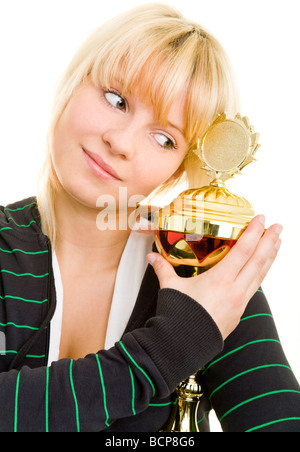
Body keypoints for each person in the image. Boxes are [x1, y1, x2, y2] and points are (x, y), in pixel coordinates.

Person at [0, 3, 299, 432]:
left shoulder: (202, 265)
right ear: (72, 82)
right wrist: (170, 347)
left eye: (163, 138)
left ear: (179, 167)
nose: (120, 142)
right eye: (116, 99)